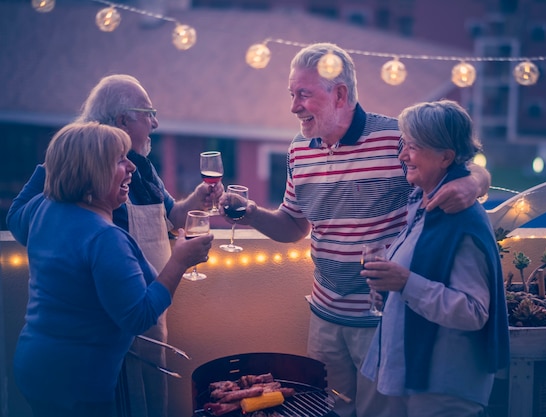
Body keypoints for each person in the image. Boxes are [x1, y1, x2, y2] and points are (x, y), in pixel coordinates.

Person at [220, 43, 491, 417]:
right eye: (291, 94)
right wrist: (250, 213)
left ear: (340, 94)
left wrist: (475, 182)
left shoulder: (397, 139)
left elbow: (456, 163)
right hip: (324, 315)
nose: (294, 106)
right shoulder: (298, 150)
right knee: (326, 411)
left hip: (382, 320)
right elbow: (293, 225)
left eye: (304, 94)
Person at [8, 74, 222, 417]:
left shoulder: (50, 207)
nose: (131, 169)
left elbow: (172, 215)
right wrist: (180, 261)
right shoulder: (101, 232)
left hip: (41, 360)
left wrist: (197, 197)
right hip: (91, 361)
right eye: (147, 113)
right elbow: (135, 315)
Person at [360, 100, 510, 417]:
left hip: (443, 387)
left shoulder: (462, 219)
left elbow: (473, 311)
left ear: (446, 157)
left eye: (412, 147)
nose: (402, 156)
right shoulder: (423, 202)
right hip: (415, 376)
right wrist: (390, 287)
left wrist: (404, 283)